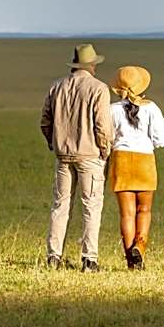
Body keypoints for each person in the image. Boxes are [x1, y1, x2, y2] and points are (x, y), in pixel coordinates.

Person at [40, 43, 112, 273]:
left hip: (63, 155)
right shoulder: (99, 88)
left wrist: (54, 143)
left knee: (60, 205)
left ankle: (53, 257)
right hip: (90, 155)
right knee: (91, 205)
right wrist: (105, 150)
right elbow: (103, 126)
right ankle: (89, 260)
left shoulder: (57, 86)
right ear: (91, 65)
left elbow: (45, 121)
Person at [109, 66, 164, 270]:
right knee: (144, 210)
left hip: (121, 160)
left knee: (127, 214)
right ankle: (140, 248)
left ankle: (130, 261)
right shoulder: (151, 108)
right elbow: (161, 139)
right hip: (145, 161)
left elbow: (107, 137)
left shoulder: (112, 109)